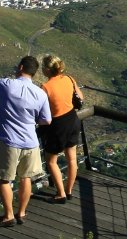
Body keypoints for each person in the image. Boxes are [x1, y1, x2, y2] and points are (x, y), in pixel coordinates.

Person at [0, 55, 52, 227]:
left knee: (5, 180)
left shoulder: (7, 85)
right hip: (31, 143)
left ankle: (9, 216)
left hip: (10, 142)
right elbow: (47, 120)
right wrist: (32, 121)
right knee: (26, 178)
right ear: (34, 73)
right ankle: (21, 212)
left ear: (20, 67)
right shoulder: (41, 94)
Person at [38, 54, 84, 203]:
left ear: (46, 70)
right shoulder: (69, 79)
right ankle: (69, 190)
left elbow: (39, 110)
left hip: (58, 125)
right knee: (72, 159)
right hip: (73, 119)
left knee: (51, 160)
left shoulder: (45, 87)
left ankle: (61, 194)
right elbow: (81, 97)